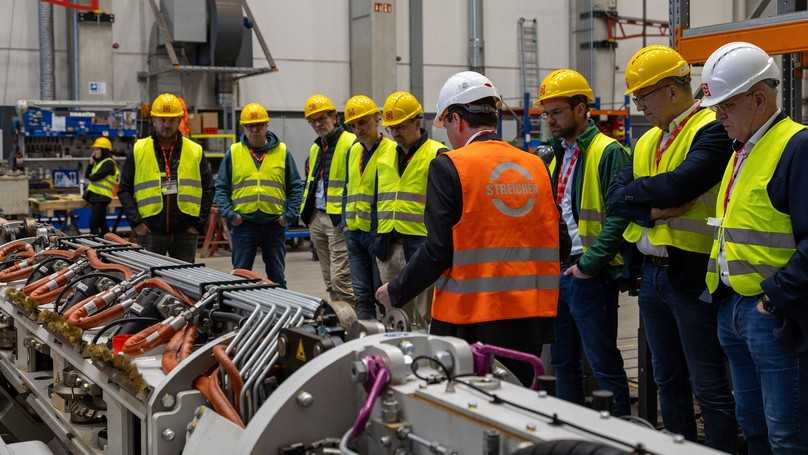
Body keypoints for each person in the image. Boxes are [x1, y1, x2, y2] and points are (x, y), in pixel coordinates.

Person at [376, 72, 559, 385]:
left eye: (446, 125)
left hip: (471, 320)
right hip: (531, 318)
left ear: (457, 119)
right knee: (519, 404)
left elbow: (438, 250)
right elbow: (559, 240)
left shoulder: (450, 166)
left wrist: (394, 291)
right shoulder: (535, 165)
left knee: (473, 410)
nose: (447, 135)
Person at [607, 45, 737, 450]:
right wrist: (654, 211)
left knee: (707, 381)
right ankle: (678, 447)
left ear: (670, 90)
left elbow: (682, 184)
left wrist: (639, 200)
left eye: (642, 96)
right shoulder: (647, 140)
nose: (639, 105)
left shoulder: (711, 129)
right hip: (652, 274)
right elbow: (615, 196)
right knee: (666, 378)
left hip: (692, 272)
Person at [700, 42, 808, 454]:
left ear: (759, 98)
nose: (717, 117)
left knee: (786, 435)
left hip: (772, 315)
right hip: (733, 307)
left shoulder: (796, 147)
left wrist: (775, 299)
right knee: (754, 425)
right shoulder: (743, 148)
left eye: (725, 107)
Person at [538, 69, 631, 416]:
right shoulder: (556, 154)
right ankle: (570, 428)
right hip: (558, 269)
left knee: (601, 359)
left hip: (590, 273)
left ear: (581, 109)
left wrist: (590, 265)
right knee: (562, 360)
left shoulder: (609, 152)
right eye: (546, 113)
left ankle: (620, 434)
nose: (550, 120)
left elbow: (620, 216)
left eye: (557, 112)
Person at [374, 91, 446, 329]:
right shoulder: (384, 155)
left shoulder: (438, 154)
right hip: (388, 246)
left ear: (418, 122)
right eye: (391, 128)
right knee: (395, 317)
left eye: (401, 127)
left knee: (426, 316)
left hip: (421, 248)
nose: (395, 133)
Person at [214, 102, 303, 287]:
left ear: (266, 126)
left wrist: (289, 216)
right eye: (250, 126)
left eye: (259, 125)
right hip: (243, 225)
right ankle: (239, 314)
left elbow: (295, 187)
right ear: (244, 128)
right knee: (239, 277)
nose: (255, 130)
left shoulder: (282, 152)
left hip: (274, 225)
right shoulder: (234, 152)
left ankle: (280, 311)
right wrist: (231, 215)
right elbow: (221, 188)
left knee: (276, 276)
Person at [118, 93, 214, 263]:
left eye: (171, 120)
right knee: (150, 284)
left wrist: (197, 225)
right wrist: (137, 224)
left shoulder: (195, 150)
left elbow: (208, 189)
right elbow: (124, 189)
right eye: (162, 120)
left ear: (179, 121)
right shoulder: (139, 149)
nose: (166, 124)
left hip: (185, 233)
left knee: (184, 286)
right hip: (150, 232)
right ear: (153, 120)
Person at [341, 95, 396, 319]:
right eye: (353, 125)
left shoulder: (391, 151)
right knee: (361, 295)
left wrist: (382, 234)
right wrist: (346, 223)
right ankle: (367, 341)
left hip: (377, 235)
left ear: (377, 118)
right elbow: (349, 187)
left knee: (380, 294)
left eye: (362, 122)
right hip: (354, 233)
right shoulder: (354, 150)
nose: (358, 129)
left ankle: (383, 341)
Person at [299, 94, 356, 303]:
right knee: (329, 279)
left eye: (322, 118)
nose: (317, 124)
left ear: (334, 117)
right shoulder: (316, 147)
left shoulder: (351, 142)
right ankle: (338, 318)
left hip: (337, 219)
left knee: (341, 278)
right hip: (317, 217)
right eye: (313, 121)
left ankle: (356, 320)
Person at [83, 136, 119, 235]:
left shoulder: (109, 163)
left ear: (104, 150)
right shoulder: (99, 163)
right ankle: (109, 244)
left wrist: (91, 172)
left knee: (94, 224)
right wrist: (90, 164)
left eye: (97, 149)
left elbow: (94, 177)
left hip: (102, 197)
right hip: (96, 197)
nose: (94, 152)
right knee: (102, 224)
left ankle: (95, 246)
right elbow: (87, 176)